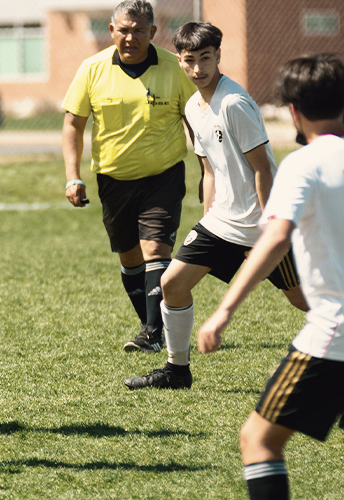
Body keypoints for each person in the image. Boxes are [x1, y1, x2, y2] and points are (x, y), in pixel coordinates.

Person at [197, 54, 344, 500]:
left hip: (343, 328)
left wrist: (222, 312)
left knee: (258, 440)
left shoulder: (303, 164)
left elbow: (272, 241)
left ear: (292, 110)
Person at [123, 22, 308, 390]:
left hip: (262, 225)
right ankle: (177, 371)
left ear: (218, 56)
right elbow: (208, 169)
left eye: (205, 58)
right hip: (223, 223)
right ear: (179, 60)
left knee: (305, 301)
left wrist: (272, 224)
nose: (198, 69)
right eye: (190, 60)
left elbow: (263, 169)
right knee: (172, 283)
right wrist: (207, 221)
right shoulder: (193, 106)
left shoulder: (234, 103)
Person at [62, 0, 197, 353]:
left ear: (153, 33)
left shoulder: (174, 68)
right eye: (123, 29)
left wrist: (210, 168)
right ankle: (153, 326)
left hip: (163, 176)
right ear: (111, 31)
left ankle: (153, 332)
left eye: (139, 30)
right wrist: (72, 176)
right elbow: (73, 125)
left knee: (156, 249)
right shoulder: (91, 69)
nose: (130, 37)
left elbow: (197, 121)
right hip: (113, 179)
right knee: (129, 256)